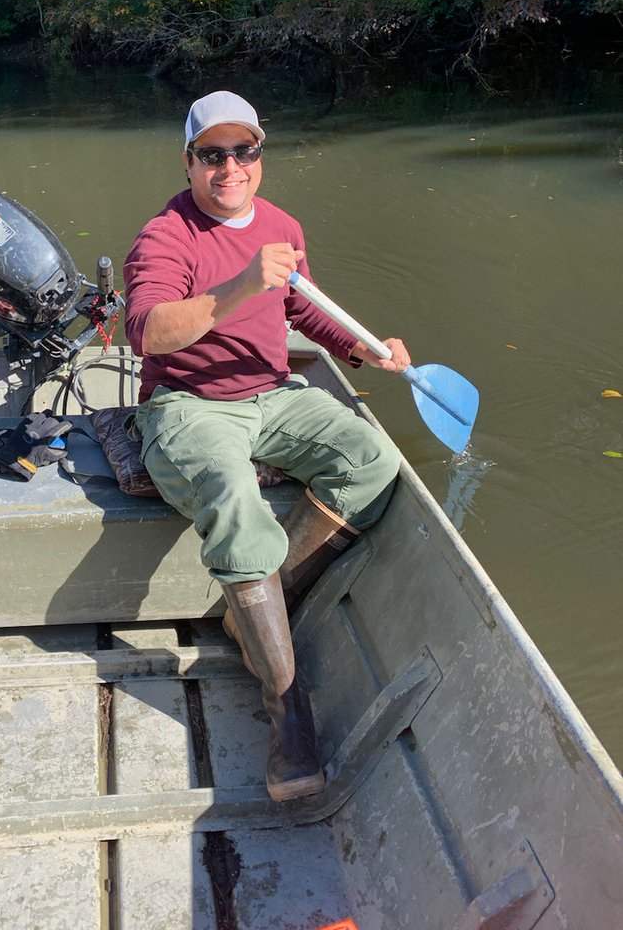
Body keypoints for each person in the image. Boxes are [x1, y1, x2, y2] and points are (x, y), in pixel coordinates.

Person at [124, 90, 409, 802]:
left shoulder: (281, 225)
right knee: (235, 497)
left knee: (372, 460)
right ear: (189, 161)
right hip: (188, 405)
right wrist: (240, 283)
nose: (230, 167)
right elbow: (149, 332)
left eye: (243, 151)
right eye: (212, 154)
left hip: (272, 393)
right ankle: (288, 712)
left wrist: (366, 350)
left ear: (260, 155)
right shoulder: (165, 236)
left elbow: (306, 306)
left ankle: (256, 608)